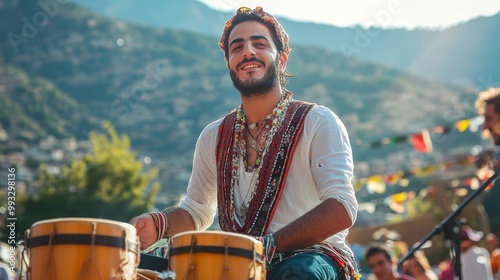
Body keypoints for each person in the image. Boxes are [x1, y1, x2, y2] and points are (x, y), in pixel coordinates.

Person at [130, 6, 360, 280]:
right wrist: (159, 224)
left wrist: (264, 249)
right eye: (236, 48)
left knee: (298, 273)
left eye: (259, 44)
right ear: (229, 63)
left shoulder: (318, 121)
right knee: (142, 268)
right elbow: (197, 210)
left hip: (311, 259)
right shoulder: (213, 136)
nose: (248, 52)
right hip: (237, 265)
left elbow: (342, 207)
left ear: (282, 59)